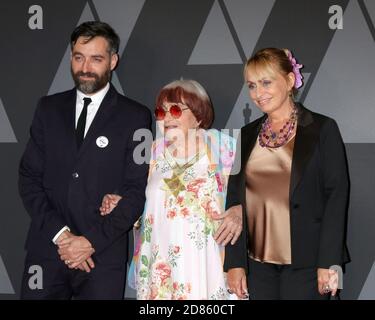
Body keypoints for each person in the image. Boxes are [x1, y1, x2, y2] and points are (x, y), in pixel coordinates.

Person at [18, 21, 151, 299]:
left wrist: (89, 242)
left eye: (96, 58)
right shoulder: (48, 109)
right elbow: (29, 178)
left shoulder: (136, 117)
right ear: (70, 57)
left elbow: (137, 192)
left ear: (113, 61)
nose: (85, 67)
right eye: (79, 57)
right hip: (47, 251)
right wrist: (62, 237)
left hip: (102, 257)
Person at [224, 48, 350, 300]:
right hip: (257, 263)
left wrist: (329, 262)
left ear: (290, 80)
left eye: (266, 82)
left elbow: (336, 197)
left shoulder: (322, 129)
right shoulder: (247, 135)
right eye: (252, 85)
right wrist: (234, 262)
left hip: (308, 262)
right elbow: (234, 201)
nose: (258, 94)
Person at [100, 79, 243, 299]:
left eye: (175, 110)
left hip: (207, 265)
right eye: (161, 111)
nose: (166, 117)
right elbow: (148, 203)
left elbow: (249, 196)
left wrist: (240, 210)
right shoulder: (153, 152)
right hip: (161, 267)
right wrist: (123, 203)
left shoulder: (223, 148)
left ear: (199, 116)